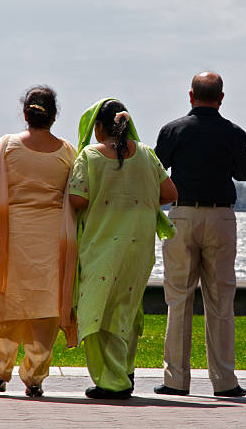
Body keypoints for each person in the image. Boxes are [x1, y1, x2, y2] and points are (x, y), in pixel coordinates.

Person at [69, 98, 178, 399]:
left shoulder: (90, 156)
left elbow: (77, 199)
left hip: (100, 248)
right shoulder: (146, 155)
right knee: (126, 308)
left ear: (99, 127)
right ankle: (125, 371)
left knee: (96, 311)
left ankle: (112, 381)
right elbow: (170, 193)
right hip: (138, 248)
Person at [153, 71, 246, 397]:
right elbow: (245, 172)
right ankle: (224, 381)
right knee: (221, 300)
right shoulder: (234, 133)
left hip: (182, 215)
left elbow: (156, 170)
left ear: (191, 95)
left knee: (178, 298)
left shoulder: (173, 130)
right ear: (221, 98)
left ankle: (175, 380)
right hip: (221, 215)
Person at [0, 86, 77, 398]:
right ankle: (34, 377)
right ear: (55, 116)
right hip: (52, 237)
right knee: (45, 307)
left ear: (25, 115)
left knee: (7, 300)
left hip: (12, 235)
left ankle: (0, 371)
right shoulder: (67, 152)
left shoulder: (5, 146)